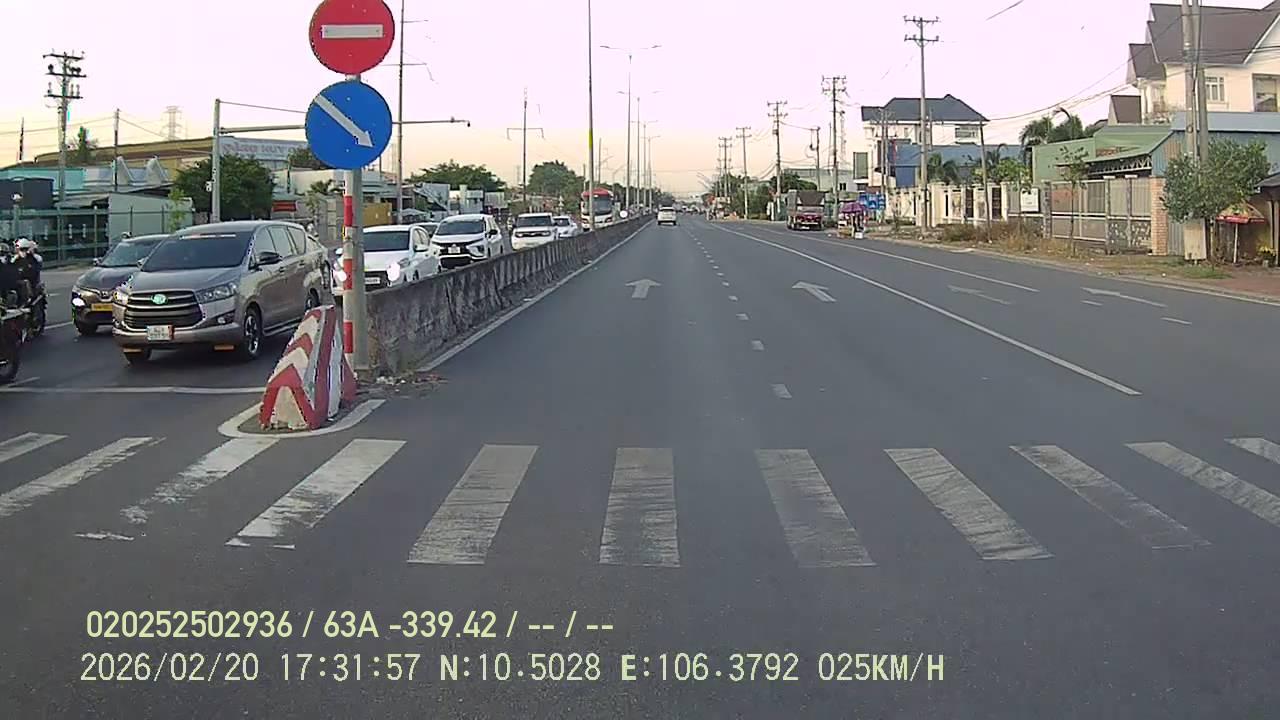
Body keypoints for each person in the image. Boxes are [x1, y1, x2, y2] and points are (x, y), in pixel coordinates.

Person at [0, 242, 22, 308]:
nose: (2, 256)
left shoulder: (12, 263)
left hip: (8, 288)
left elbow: (15, 276)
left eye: (3, 254)